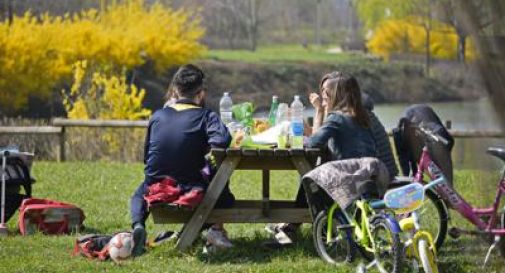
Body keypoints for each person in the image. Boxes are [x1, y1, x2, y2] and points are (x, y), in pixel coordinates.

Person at [130, 64, 235, 256]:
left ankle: (138, 225)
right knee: (220, 181)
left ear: (175, 90)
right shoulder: (206, 116)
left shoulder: (157, 116)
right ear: (201, 93)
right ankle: (214, 230)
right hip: (190, 185)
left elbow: (147, 157)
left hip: (156, 184)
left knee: (139, 193)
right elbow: (222, 142)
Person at [267, 72, 377, 244]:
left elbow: (314, 143)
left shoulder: (338, 117)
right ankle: (292, 227)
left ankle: (320, 231)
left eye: (327, 91)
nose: (323, 95)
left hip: (348, 177)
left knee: (311, 180)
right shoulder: (362, 116)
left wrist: (301, 132)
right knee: (314, 176)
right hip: (371, 173)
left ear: (338, 94)